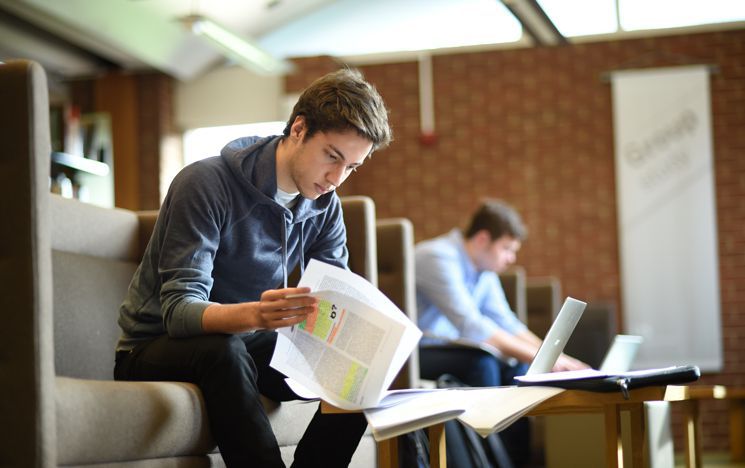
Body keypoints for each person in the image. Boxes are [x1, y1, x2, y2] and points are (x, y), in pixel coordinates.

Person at [114, 68, 392, 468]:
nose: (336, 179)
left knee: (355, 370)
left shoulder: (323, 205)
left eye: (351, 167)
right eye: (332, 156)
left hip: (244, 343)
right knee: (224, 349)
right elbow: (177, 311)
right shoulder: (205, 183)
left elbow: (337, 298)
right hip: (153, 347)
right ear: (299, 128)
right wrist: (259, 315)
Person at [416, 198, 588, 388]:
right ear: (482, 239)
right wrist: (545, 360)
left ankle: (516, 420)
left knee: (517, 366)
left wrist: (558, 358)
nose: (511, 259)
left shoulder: (484, 269)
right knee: (482, 364)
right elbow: (471, 325)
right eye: (506, 248)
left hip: (451, 348)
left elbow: (507, 323)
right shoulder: (438, 257)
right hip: (418, 352)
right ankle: (485, 420)